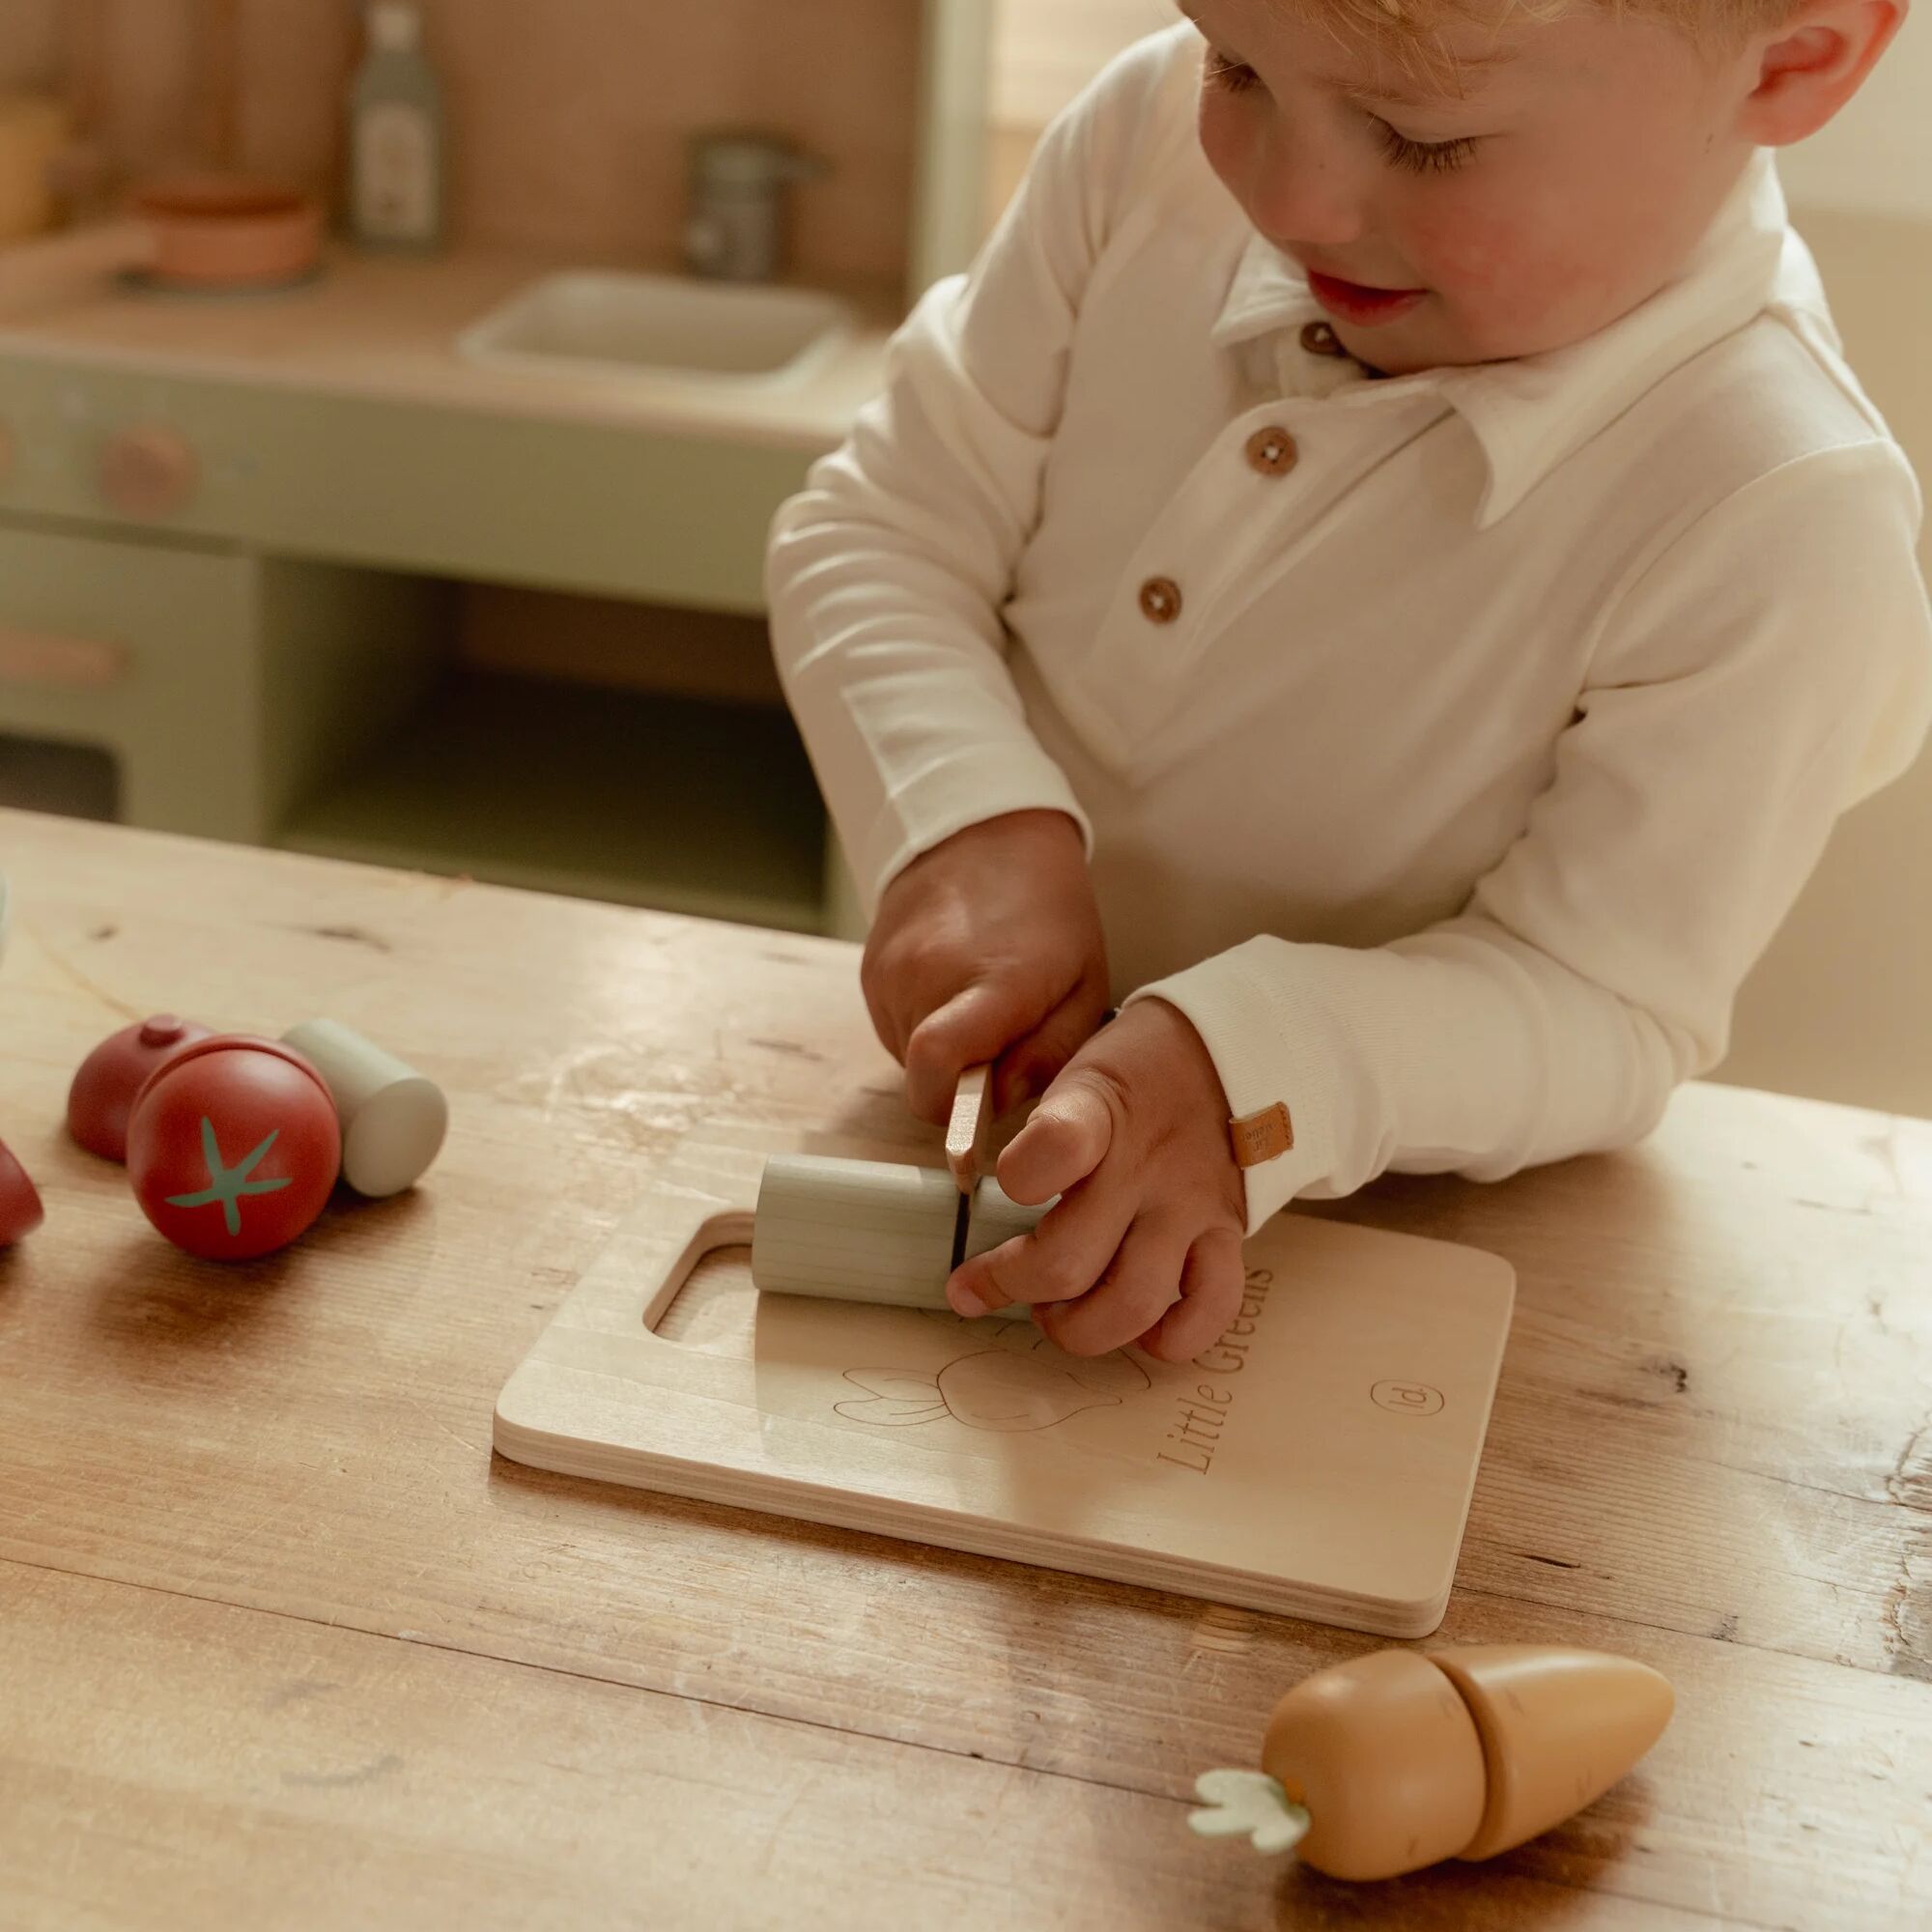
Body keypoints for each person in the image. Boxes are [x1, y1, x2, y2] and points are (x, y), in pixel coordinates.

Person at [765, 0, 1932, 1363]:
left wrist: (1259, 1069)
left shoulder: (1784, 516)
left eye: (1424, 139)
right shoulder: (1146, 142)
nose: (1289, 199)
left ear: (1799, 59)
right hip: (960, 1155)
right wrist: (960, 827)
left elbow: (1604, 1003)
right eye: (1236, 62)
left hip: (1389, 1285)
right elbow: (885, 528)